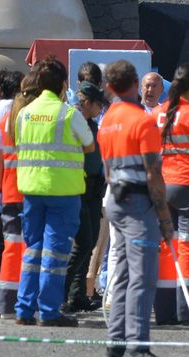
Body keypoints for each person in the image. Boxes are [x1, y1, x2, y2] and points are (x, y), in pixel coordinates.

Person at [98, 60, 175, 357]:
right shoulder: (142, 122)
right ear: (133, 84)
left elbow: (106, 169)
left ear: (109, 86)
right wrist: (165, 217)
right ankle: (137, 348)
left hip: (115, 199)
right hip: (138, 204)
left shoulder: (107, 120)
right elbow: (154, 174)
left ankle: (115, 346)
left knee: (122, 276)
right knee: (142, 279)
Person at [13, 56, 96, 327]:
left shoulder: (24, 112)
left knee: (33, 250)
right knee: (55, 252)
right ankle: (49, 311)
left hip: (30, 189)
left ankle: (24, 309)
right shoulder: (68, 113)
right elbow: (89, 144)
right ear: (63, 85)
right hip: (62, 191)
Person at [151, 64, 189, 326]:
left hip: (162, 187)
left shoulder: (157, 113)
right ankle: (186, 311)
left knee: (165, 247)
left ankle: (164, 312)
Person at [61, 82, 107, 313]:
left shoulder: (91, 125)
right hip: (80, 188)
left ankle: (76, 294)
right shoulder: (76, 122)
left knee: (88, 244)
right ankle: (62, 292)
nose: (101, 109)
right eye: (99, 104)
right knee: (83, 243)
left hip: (93, 190)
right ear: (88, 102)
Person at [0, 69, 26, 316]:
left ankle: (5, 301)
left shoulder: (2, 115)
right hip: (22, 190)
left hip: (6, 188)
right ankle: (23, 302)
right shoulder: (17, 115)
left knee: (8, 247)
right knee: (24, 247)